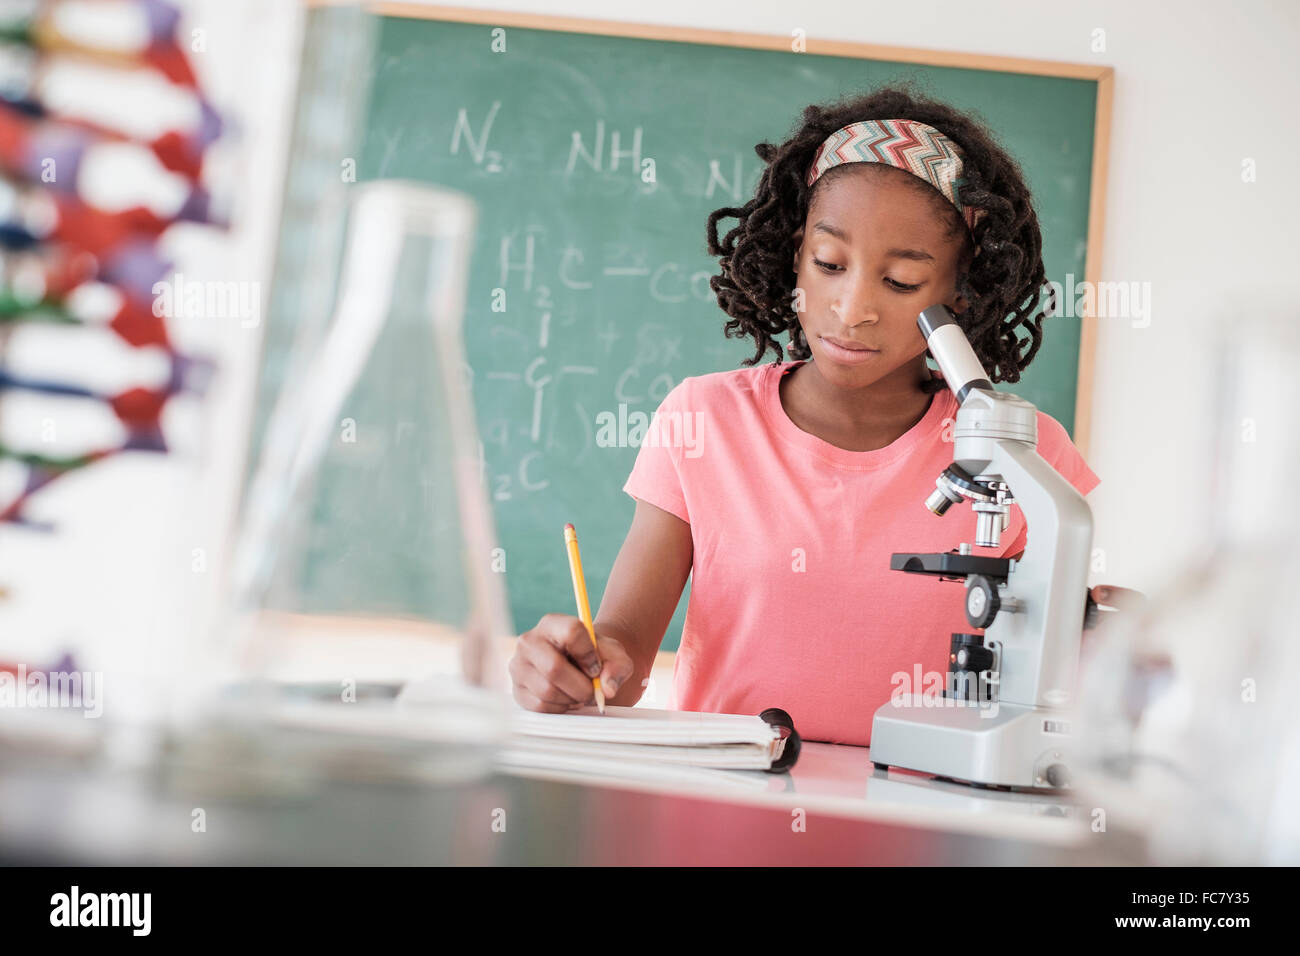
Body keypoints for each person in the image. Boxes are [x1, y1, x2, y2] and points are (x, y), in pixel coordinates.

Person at [509, 85, 1138, 746]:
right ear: (792, 254)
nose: (852, 308)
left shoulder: (1020, 450)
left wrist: (1110, 650)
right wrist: (580, 666)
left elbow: (1050, 674)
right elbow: (625, 658)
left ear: (961, 287)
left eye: (899, 282)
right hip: (728, 807)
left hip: (924, 812)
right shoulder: (704, 419)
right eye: (830, 264)